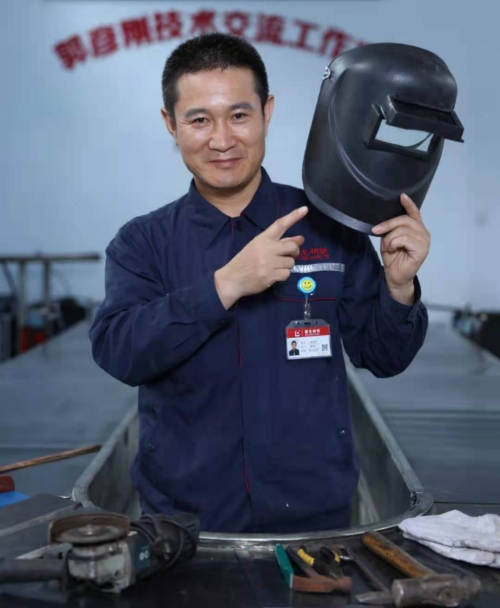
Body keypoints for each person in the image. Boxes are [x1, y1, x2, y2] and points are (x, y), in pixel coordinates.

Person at [90, 33, 430, 533]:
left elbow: (384, 357)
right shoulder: (143, 242)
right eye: (199, 120)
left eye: (239, 115)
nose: (221, 140)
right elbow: (120, 352)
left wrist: (399, 288)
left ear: (267, 112)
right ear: (171, 124)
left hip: (316, 517)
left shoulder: (331, 226)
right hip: (185, 525)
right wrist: (224, 286)